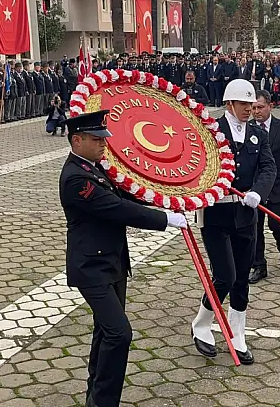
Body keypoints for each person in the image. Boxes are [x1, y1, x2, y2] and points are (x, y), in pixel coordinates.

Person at [59, 110, 187, 407]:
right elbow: (117, 208)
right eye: (95, 140)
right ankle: (103, 401)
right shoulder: (77, 178)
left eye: (103, 139)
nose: (103, 145)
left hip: (112, 262)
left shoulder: (94, 166)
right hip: (91, 267)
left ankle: (95, 393)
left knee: (105, 331)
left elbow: (126, 196)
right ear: (76, 141)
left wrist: (164, 198)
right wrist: (164, 219)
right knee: (119, 334)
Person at [191, 79, 276, 366]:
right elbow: (198, 166)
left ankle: (237, 333)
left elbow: (268, 166)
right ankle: (202, 324)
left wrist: (257, 192)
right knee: (224, 275)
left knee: (241, 278)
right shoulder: (211, 130)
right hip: (215, 215)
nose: (249, 110)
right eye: (243, 105)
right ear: (229, 104)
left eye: (252, 106)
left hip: (245, 215)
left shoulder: (256, 134)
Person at [248, 90, 280, 284]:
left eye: (260, 107)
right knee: (255, 228)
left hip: (278, 186)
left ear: (270, 106)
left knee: (278, 226)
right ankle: (259, 265)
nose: (256, 112)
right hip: (254, 188)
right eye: (253, 108)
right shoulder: (247, 128)